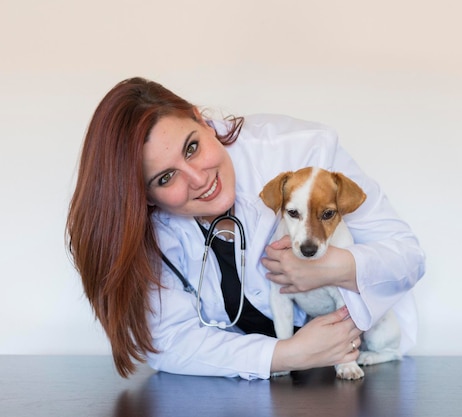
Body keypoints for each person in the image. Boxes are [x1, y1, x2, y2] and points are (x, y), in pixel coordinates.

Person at [66, 77, 425, 380]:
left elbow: (407, 256)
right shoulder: (148, 231)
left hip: (360, 360)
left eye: (192, 147)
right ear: (142, 196)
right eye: (165, 177)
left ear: (201, 119)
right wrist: (286, 355)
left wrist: (333, 266)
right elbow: (168, 341)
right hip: (263, 379)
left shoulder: (302, 150)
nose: (198, 179)